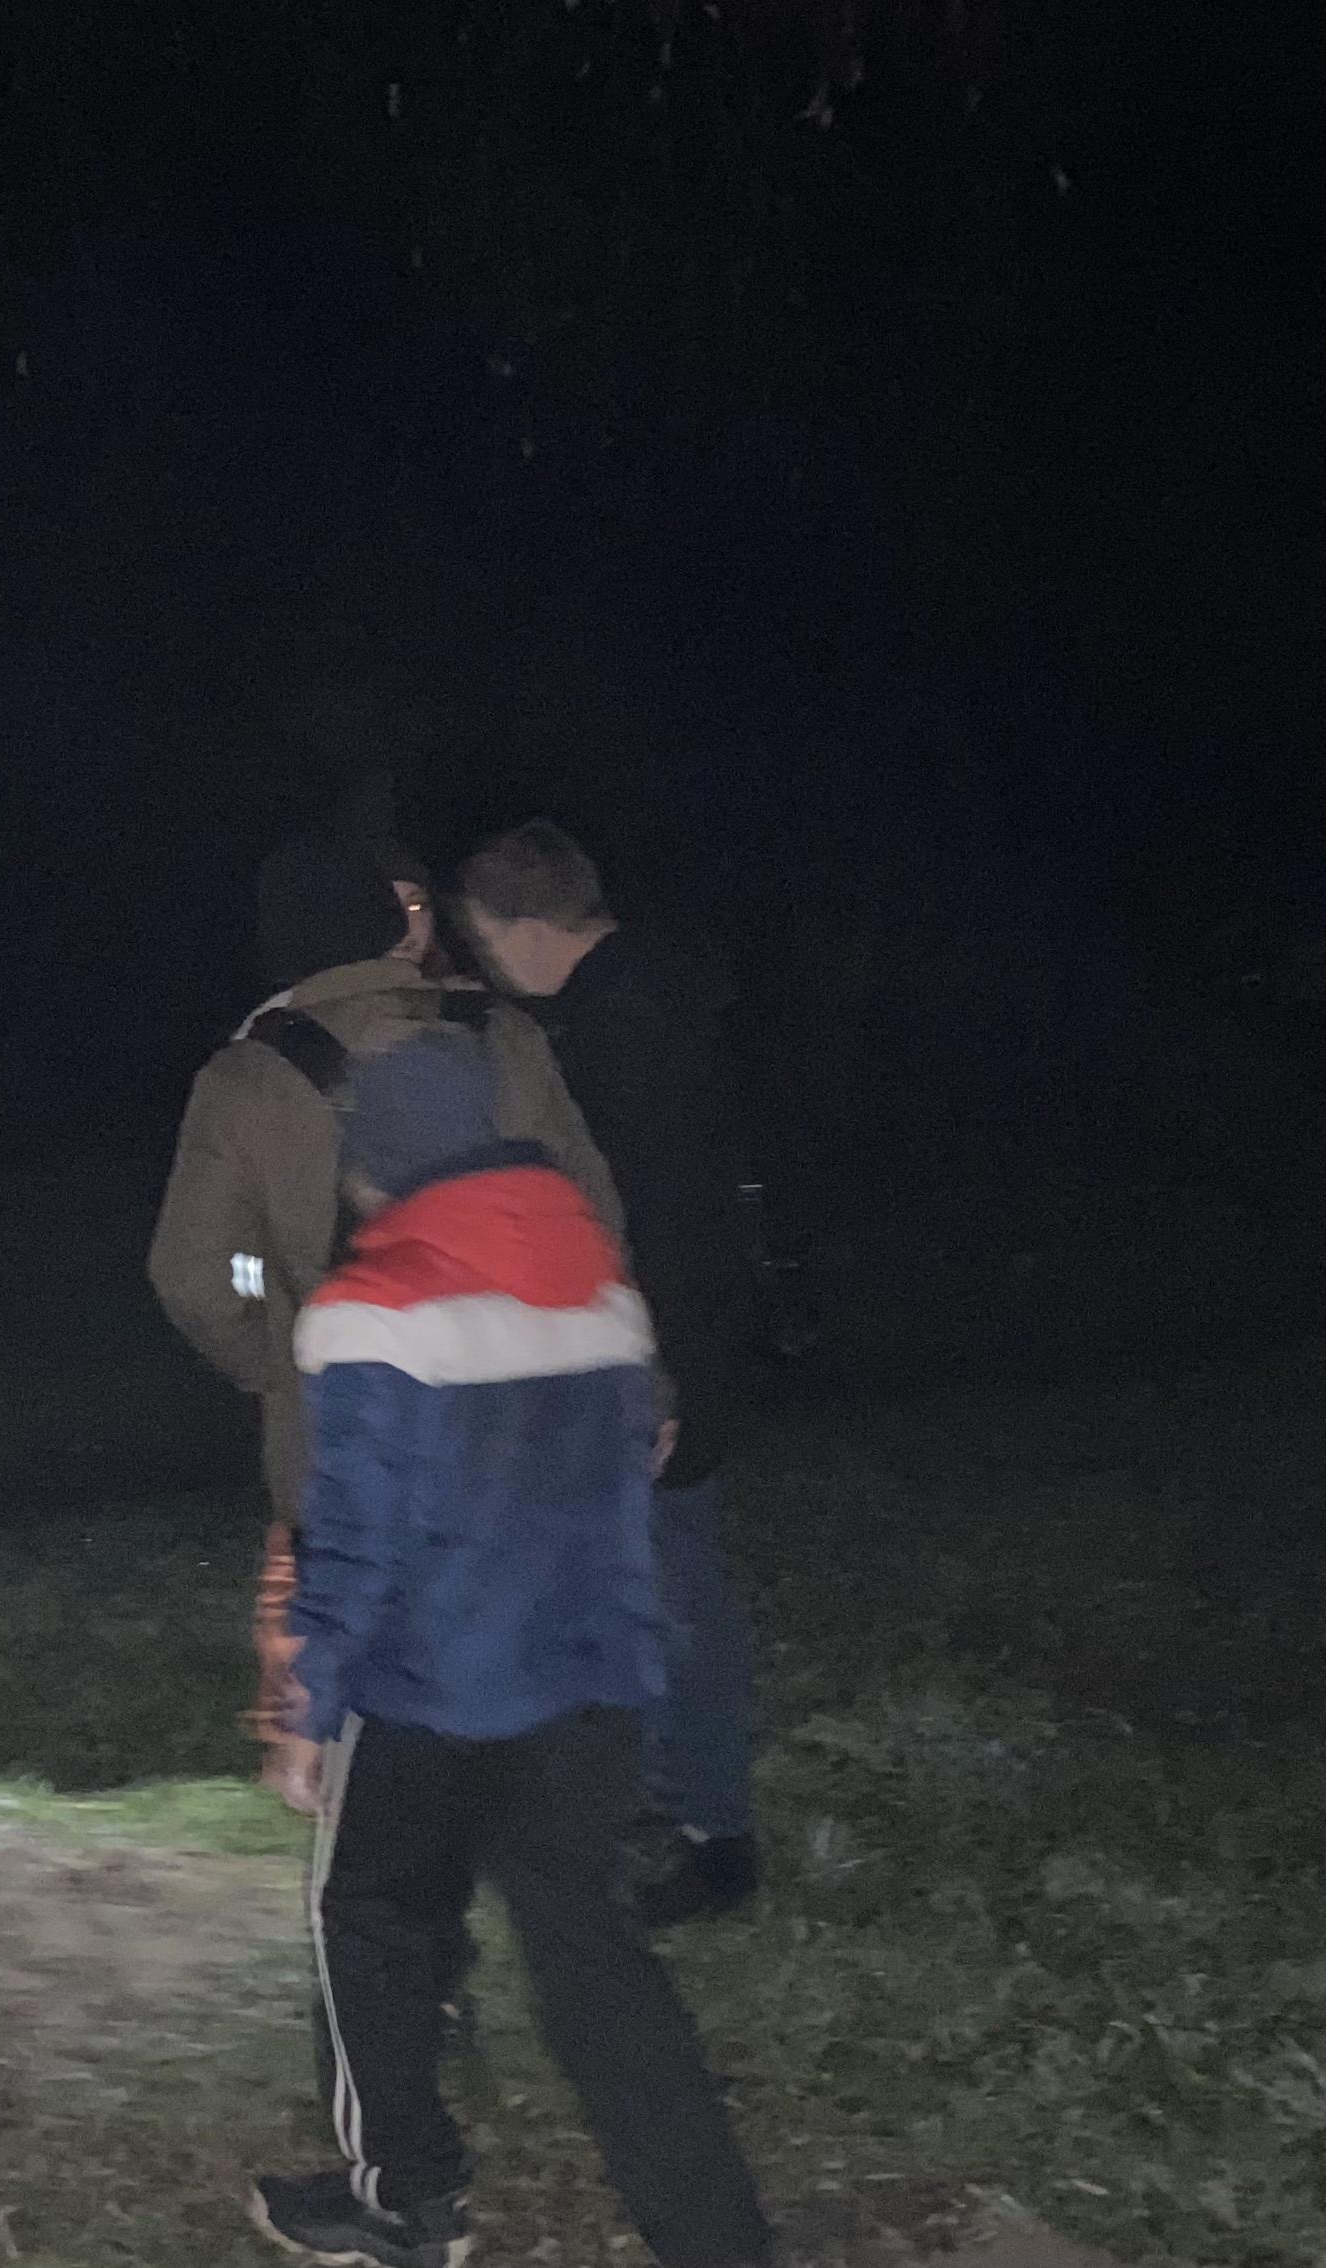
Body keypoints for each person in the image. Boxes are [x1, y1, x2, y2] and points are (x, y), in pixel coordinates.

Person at [254, 1025, 773, 2268]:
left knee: (369, 1919)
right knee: (593, 1956)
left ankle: (407, 2201)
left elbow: (358, 1538)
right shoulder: (602, 1290)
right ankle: (720, 2242)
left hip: (430, 1690)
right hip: (589, 1684)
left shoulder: (368, 1310)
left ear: (378, 1159)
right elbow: (630, 1484)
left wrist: (307, 1708)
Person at [150, 820, 627, 1812]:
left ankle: (385, 1861)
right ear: (384, 923)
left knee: (366, 1694)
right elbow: (592, 1213)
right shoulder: (504, 1035)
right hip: (526, 1424)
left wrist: (273, 1361)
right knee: (536, 1690)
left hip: (346, 1430)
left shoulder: (245, 1076)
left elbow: (193, 1275)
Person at [455, 820, 767, 1928]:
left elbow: (653, 1215)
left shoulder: (618, 1028)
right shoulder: (652, 997)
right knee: (649, 1584)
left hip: (659, 1349)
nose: (491, 966)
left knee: (677, 1594)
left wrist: (650, 1369)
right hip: (680, 1336)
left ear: (531, 929)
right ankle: (670, 1794)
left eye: (488, 942)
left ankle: (715, 1836)